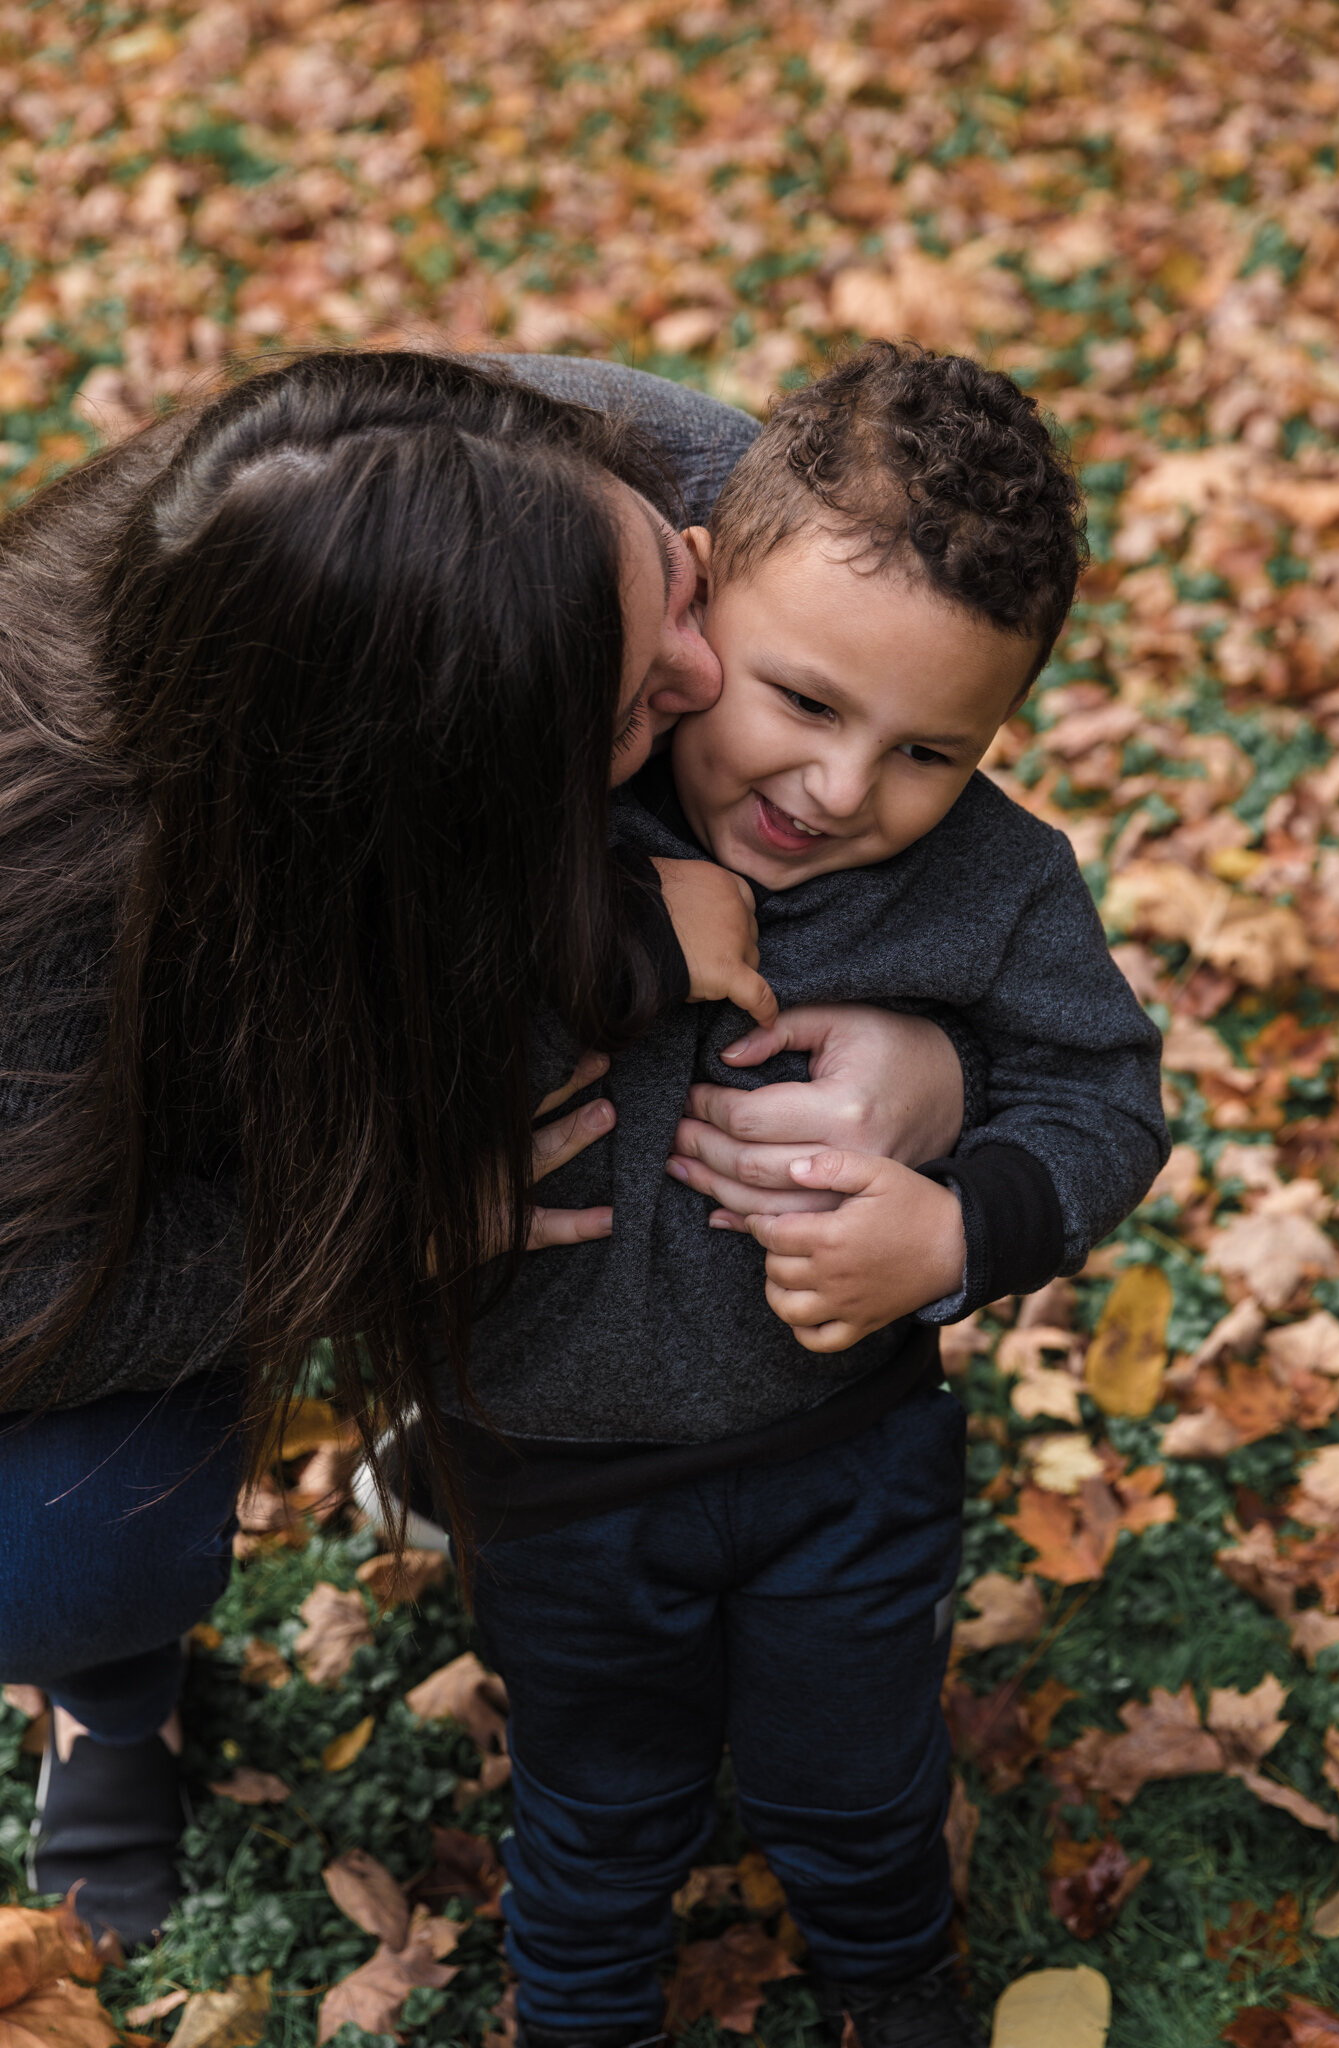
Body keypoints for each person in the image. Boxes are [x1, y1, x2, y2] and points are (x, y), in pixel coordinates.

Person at [0, 348, 973, 1947]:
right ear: (439, 804)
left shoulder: (651, 478)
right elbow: (19, 1300)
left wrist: (934, 1058)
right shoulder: (47, 877)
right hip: (135, 1179)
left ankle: (539, 1410)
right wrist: (368, 1225)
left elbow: (929, 777)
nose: (702, 667)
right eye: (624, 711)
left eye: (672, 581)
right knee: (44, 1555)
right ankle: (105, 1694)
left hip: (442, 1032)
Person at [449, 344, 1171, 2048]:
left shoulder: (992, 882)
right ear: (697, 604)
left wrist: (961, 1226)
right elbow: (382, 1013)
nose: (840, 792)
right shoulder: (539, 811)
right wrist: (622, 947)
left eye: (930, 747)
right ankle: (582, 2013)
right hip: (553, 1471)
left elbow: (1103, 1093)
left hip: (843, 1451)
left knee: (853, 1773)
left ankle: (892, 1976)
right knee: (599, 1796)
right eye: (801, 701)